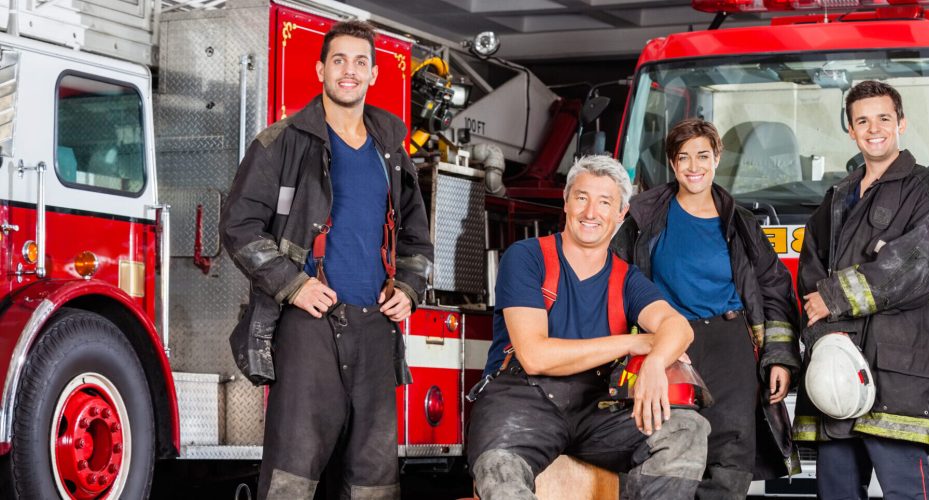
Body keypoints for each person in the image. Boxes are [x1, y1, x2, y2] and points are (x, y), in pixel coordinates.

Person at [220, 20, 433, 499]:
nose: (349, 71)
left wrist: (408, 289)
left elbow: (417, 238)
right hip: (308, 328)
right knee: (292, 474)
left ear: (374, 74)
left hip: (377, 328)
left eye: (360, 62)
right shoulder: (281, 143)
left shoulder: (391, 151)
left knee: (375, 480)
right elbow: (239, 226)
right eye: (339, 60)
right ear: (320, 70)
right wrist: (293, 284)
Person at [466, 155, 710, 499]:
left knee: (685, 430)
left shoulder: (626, 278)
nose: (591, 212)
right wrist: (634, 343)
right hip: (522, 402)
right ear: (566, 202)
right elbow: (535, 356)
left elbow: (679, 328)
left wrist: (655, 362)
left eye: (605, 202)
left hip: (597, 406)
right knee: (499, 470)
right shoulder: (526, 257)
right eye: (582, 198)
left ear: (621, 213)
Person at [612, 118, 801, 499]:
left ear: (717, 159)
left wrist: (779, 357)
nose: (693, 166)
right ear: (672, 163)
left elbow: (775, 289)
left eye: (702, 155)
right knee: (670, 442)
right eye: (683, 157)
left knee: (732, 451)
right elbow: (613, 282)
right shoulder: (644, 218)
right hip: (670, 346)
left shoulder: (741, 223)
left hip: (730, 344)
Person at [794, 80, 929, 500]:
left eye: (884, 118)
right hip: (838, 369)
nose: (874, 129)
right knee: (836, 492)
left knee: (905, 491)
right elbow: (810, 272)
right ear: (851, 130)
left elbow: (915, 266)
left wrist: (834, 298)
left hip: (898, 372)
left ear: (901, 123)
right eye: (863, 121)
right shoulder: (837, 197)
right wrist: (824, 335)